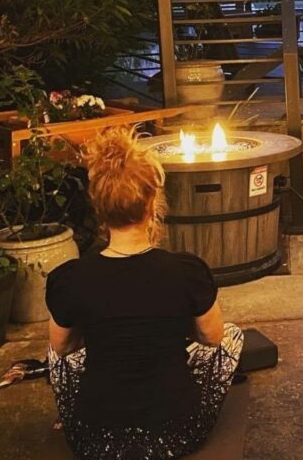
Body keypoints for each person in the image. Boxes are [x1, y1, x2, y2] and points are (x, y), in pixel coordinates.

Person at [46, 127, 244, 459]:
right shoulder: (187, 271)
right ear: (152, 204)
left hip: (95, 441)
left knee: (55, 350)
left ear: (99, 208)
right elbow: (212, 338)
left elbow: (62, 348)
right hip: (175, 434)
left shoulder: (69, 279)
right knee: (232, 335)